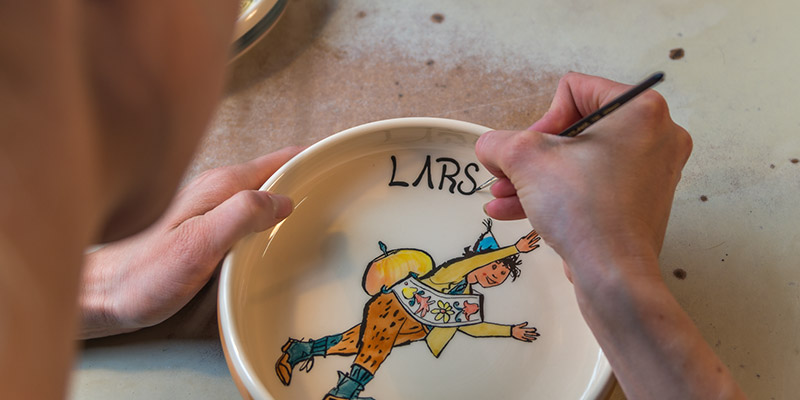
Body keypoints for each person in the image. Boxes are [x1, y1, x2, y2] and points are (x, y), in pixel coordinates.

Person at [0, 3, 744, 399]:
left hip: (399, 319)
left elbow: (480, 295)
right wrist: (615, 272)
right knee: (366, 348)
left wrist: (96, 291)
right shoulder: (458, 278)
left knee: (357, 344)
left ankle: (314, 357)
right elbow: (477, 262)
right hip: (397, 314)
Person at [275, 221, 541, 400]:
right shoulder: (453, 272)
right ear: (480, 259)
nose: (496, 275)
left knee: (354, 342)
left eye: (502, 274)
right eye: (494, 266)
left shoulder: (469, 300)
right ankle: (343, 394)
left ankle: (299, 350)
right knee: (374, 351)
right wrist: (514, 249)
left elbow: (473, 328)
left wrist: (510, 331)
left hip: (414, 329)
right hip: (394, 309)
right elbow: (471, 263)